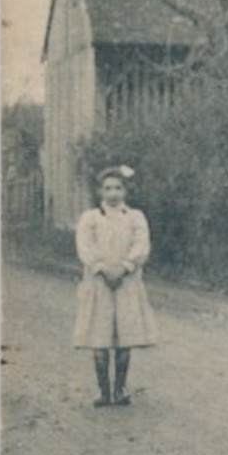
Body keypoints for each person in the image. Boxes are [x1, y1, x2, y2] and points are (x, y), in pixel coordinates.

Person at [71, 165, 158, 407]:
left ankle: (120, 389)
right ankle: (103, 392)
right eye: (108, 188)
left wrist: (125, 267)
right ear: (100, 191)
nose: (113, 194)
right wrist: (101, 268)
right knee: (99, 340)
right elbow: (85, 247)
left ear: (125, 191)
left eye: (118, 188)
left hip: (126, 283)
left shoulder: (135, 217)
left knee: (123, 340)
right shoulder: (90, 218)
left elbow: (141, 246)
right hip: (99, 283)